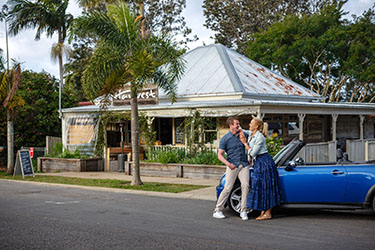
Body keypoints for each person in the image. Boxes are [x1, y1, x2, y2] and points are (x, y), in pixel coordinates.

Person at [240, 118, 281, 220]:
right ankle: (263, 210)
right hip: (258, 162)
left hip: (264, 162)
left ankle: (268, 213)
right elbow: (243, 130)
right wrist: (237, 126)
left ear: (257, 126)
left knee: (266, 186)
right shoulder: (251, 134)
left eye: (251, 123)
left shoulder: (260, 137)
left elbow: (253, 153)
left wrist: (245, 144)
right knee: (259, 185)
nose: (249, 124)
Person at [213, 117, 250, 221]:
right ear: (231, 125)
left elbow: (249, 146)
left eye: (239, 124)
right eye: (236, 124)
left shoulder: (243, 135)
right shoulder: (225, 139)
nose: (238, 125)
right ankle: (217, 210)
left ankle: (243, 210)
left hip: (244, 164)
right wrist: (228, 164)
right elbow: (219, 155)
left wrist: (250, 158)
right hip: (232, 165)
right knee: (228, 187)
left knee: (245, 185)